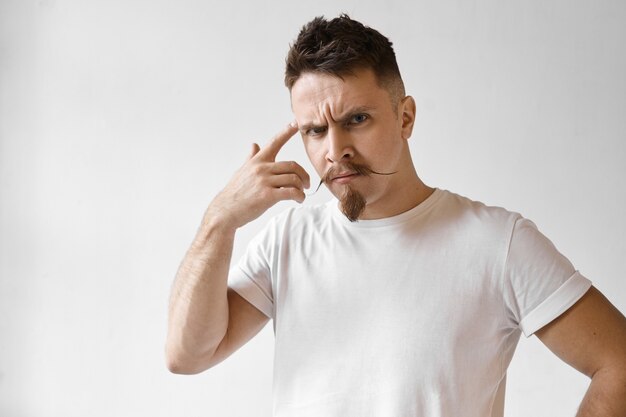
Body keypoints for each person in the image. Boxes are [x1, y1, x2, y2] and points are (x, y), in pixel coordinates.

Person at [166, 14, 626, 417]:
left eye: (357, 120)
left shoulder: (498, 242)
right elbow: (187, 354)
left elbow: (618, 362)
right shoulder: (287, 239)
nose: (335, 150)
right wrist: (219, 220)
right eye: (314, 130)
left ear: (405, 117)